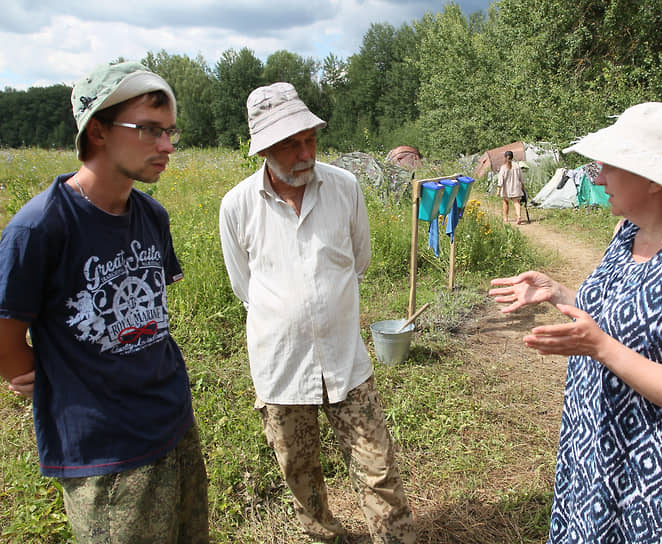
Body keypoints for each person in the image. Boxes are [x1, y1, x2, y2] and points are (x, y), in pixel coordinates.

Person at [489, 102, 662, 542]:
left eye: (609, 165)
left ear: (652, 180)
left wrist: (599, 347)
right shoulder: (627, 231)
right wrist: (560, 294)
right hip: (598, 445)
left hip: (659, 468)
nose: (598, 176)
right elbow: (625, 321)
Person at [0, 61, 209, 543]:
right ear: (97, 130)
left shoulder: (151, 215)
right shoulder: (40, 228)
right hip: (106, 455)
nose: (167, 146)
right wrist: (38, 377)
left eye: (170, 132)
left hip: (173, 423)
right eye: (150, 130)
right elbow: (6, 333)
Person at [219, 82, 416, 544]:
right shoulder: (238, 206)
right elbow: (243, 286)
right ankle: (325, 537)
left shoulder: (344, 187)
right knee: (300, 476)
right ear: (264, 148)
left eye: (309, 138)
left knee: (379, 470)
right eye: (290, 144)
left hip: (347, 364)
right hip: (281, 372)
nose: (304, 151)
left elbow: (359, 260)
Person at [497, 149, 525, 224]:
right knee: (516, 202)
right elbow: (521, 178)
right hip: (516, 187)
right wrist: (522, 186)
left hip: (506, 188)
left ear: (505, 157)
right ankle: (519, 216)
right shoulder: (517, 166)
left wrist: (498, 190)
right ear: (512, 157)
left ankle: (505, 218)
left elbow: (500, 180)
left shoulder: (503, 167)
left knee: (506, 202)